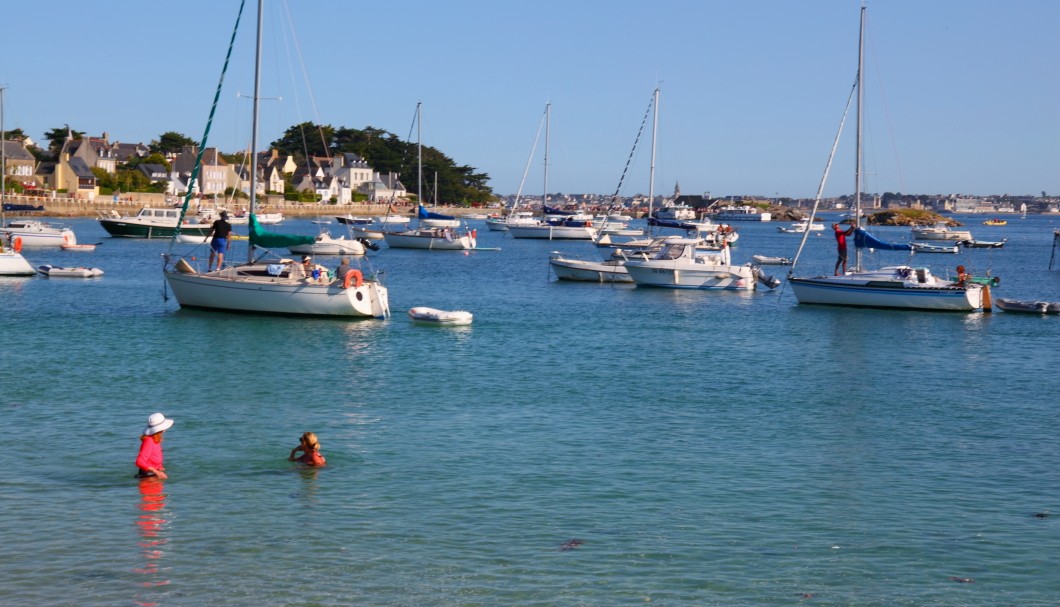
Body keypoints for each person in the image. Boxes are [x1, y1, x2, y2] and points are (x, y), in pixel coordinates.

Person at [136, 412, 174, 479]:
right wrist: (156, 472)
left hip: (152, 475)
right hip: (148, 476)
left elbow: (153, 457)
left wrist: (159, 467)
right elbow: (139, 461)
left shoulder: (155, 439)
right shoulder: (149, 441)